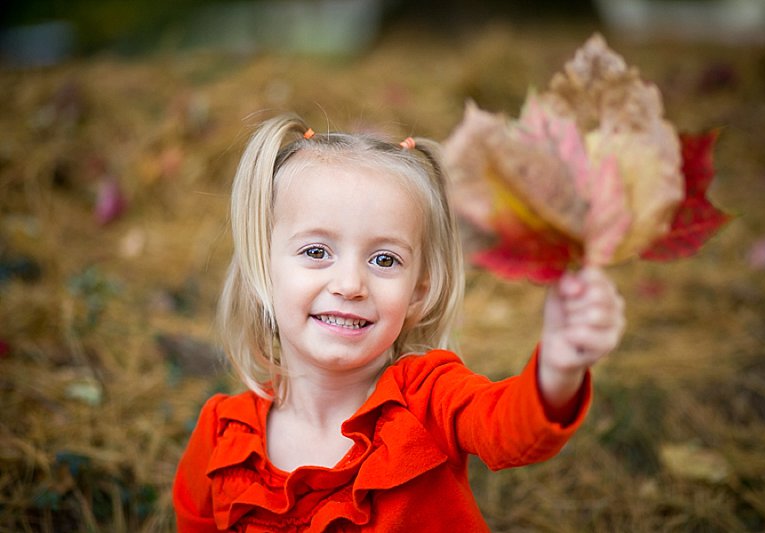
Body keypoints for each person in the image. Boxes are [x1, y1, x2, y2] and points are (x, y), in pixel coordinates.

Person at [172, 114, 626, 532]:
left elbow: (508, 430)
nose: (350, 284)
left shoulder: (429, 398)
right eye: (316, 252)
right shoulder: (223, 438)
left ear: (419, 293)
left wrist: (558, 368)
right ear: (262, 267)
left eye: (384, 259)